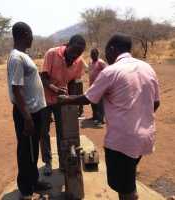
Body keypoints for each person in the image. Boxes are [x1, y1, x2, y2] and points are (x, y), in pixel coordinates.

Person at [58, 33, 160, 200]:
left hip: (121, 143)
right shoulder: (147, 68)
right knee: (128, 178)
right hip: (144, 138)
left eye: (106, 51)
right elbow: (155, 103)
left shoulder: (111, 71)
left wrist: (65, 100)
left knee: (126, 189)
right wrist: (138, 115)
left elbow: (88, 98)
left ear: (112, 49)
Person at [7, 22, 51, 200]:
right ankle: (26, 190)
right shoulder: (17, 57)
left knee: (33, 150)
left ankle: (34, 182)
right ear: (24, 34)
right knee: (26, 152)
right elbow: (16, 89)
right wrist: (27, 118)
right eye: (31, 34)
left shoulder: (23, 55)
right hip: (27, 114)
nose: (33, 38)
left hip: (34, 111)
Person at [40, 35, 86, 176]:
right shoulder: (52, 53)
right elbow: (43, 77)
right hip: (45, 99)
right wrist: (54, 89)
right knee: (44, 131)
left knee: (63, 132)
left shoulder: (79, 62)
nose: (74, 56)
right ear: (67, 45)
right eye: (73, 52)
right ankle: (47, 162)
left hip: (62, 101)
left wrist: (71, 99)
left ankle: (63, 161)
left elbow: (73, 81)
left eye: (78, 53)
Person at [88, 48, 107, 126]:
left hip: (99, 86)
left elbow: (107, 71)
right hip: (92, 85)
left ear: (97, 54)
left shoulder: (101, 62)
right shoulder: (91, 62)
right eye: (92, 54)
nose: (93, 56)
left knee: (100, 103)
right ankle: (95, 116)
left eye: (94, 54)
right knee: (93, 102)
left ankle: (100, 119)